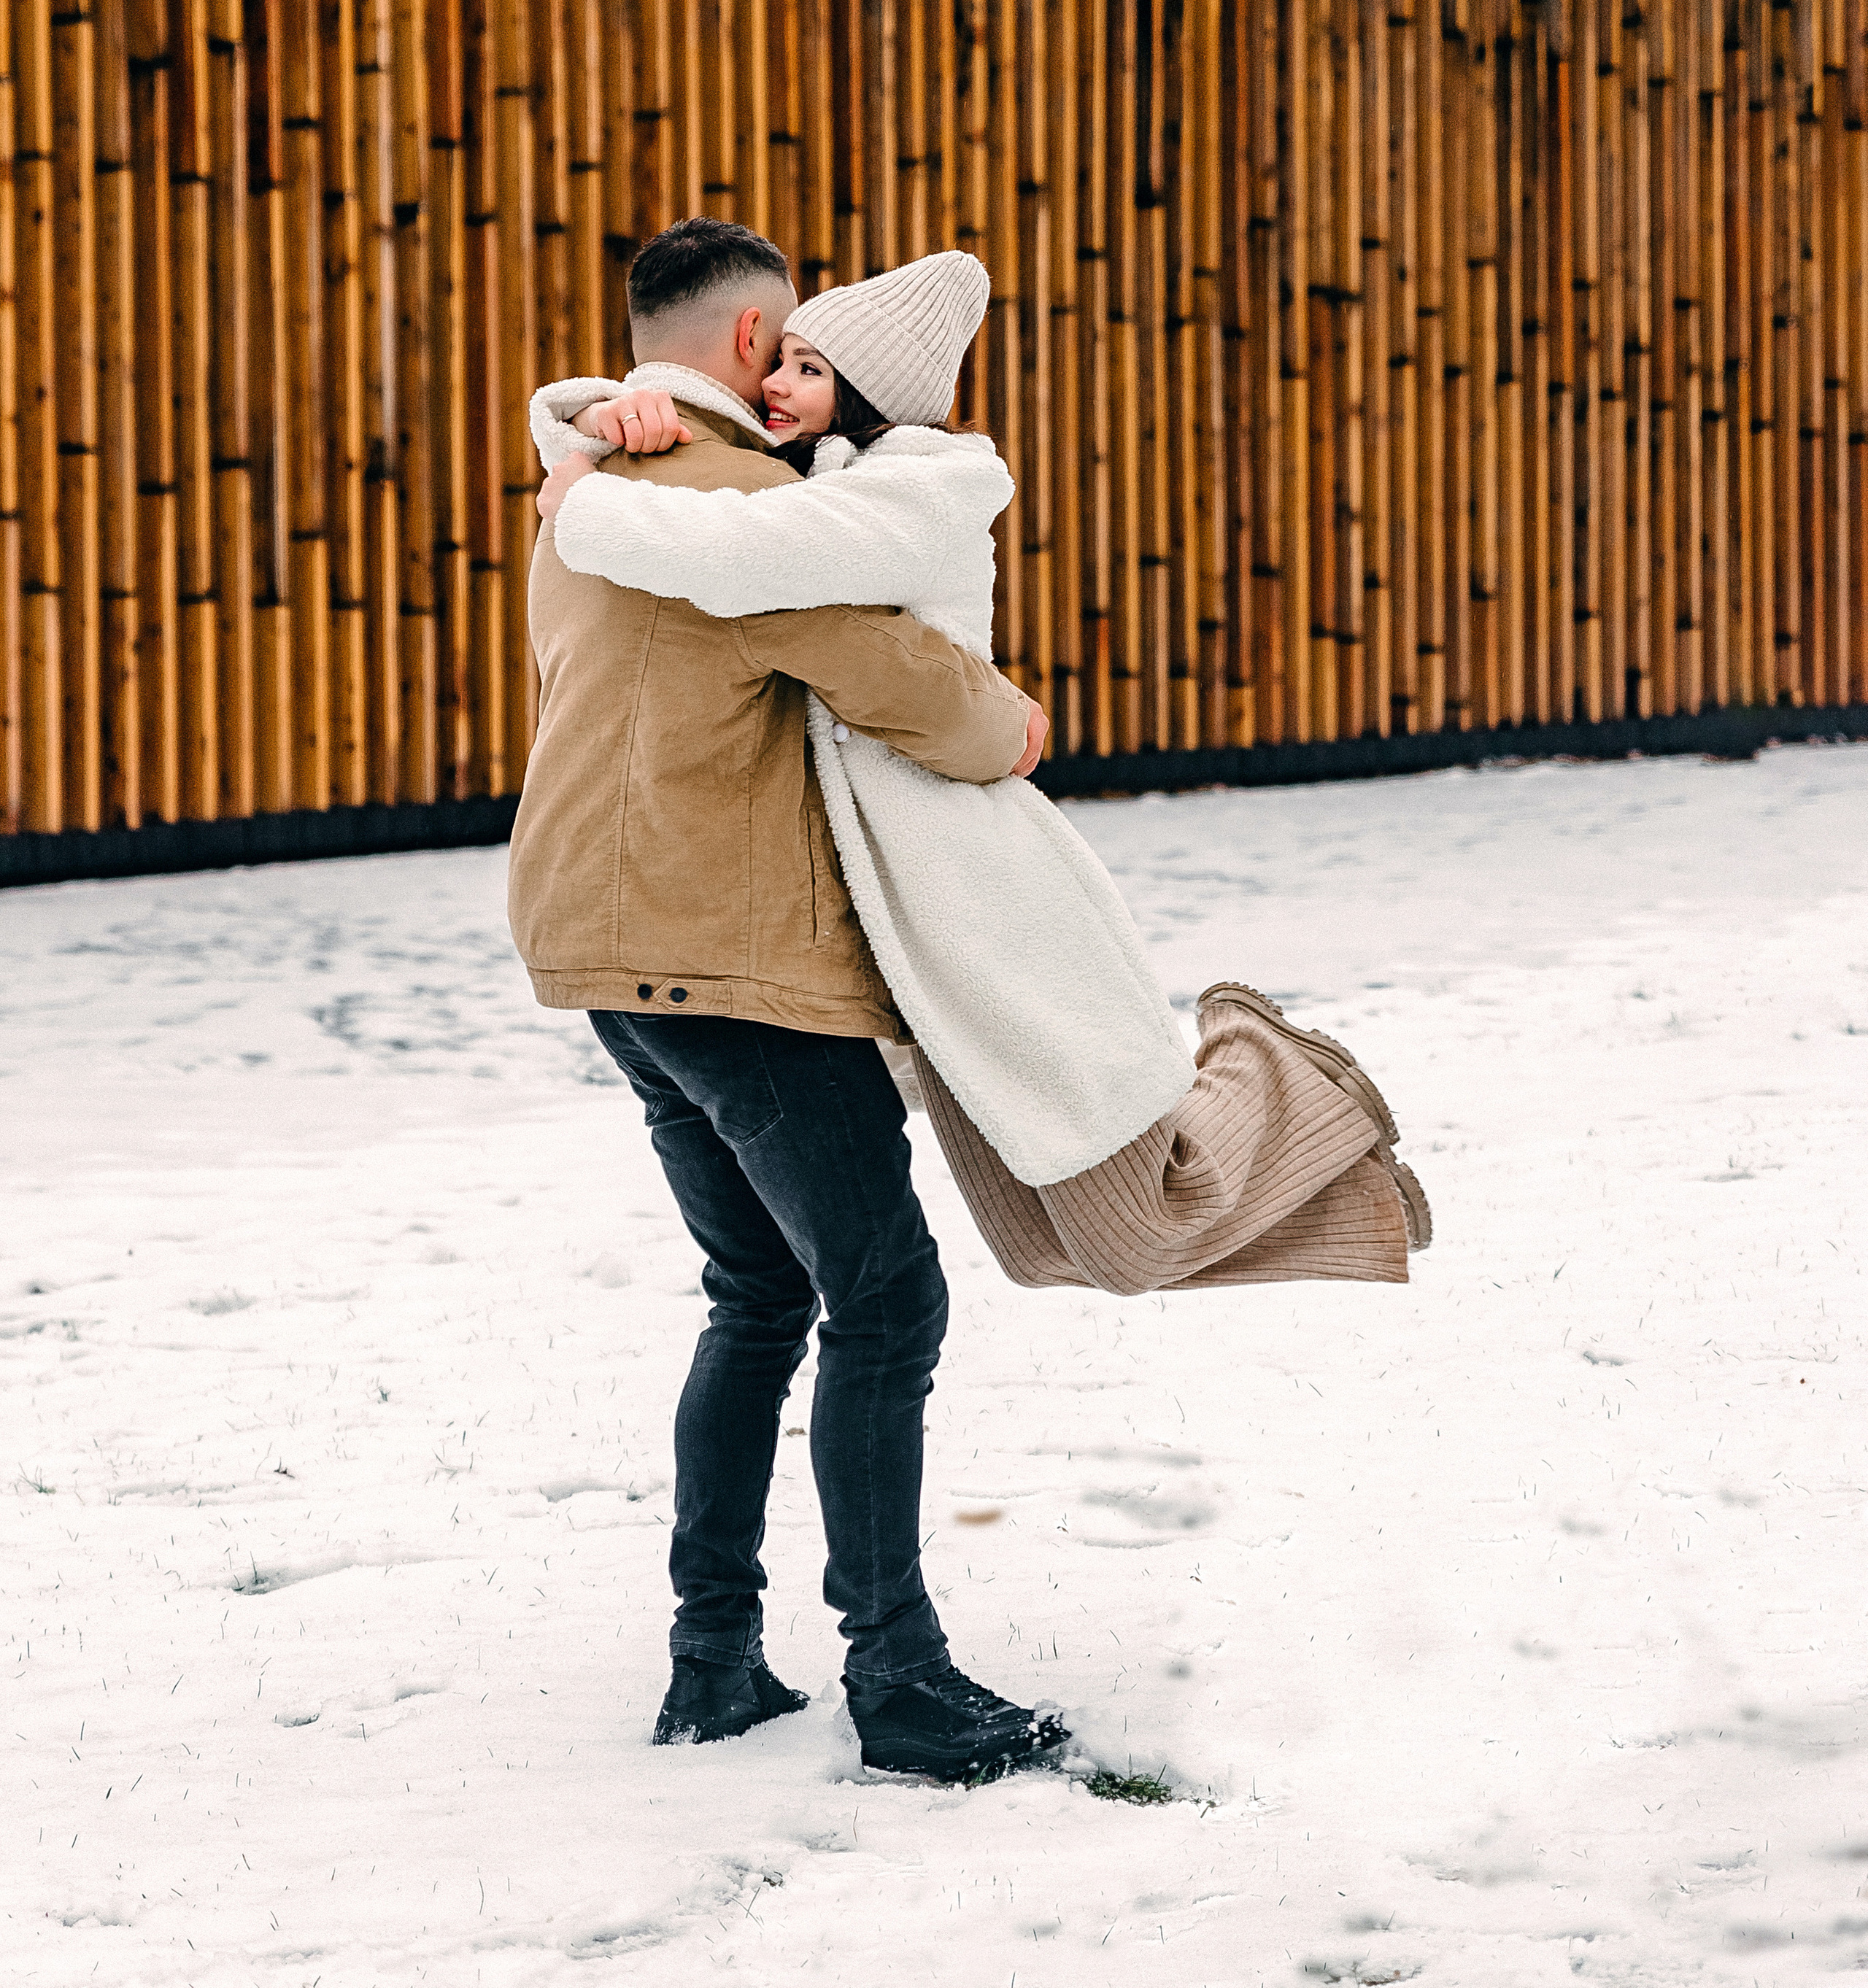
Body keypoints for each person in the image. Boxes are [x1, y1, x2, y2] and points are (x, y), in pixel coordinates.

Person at [532, 250, 1431, 1309]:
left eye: (810, 369)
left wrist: (576, 481)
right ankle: (1303, 1137)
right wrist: (588, 421)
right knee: (1035, 1240)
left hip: (966, 873)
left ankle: (1271, 1072)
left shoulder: (897, 491)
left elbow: (767, 576)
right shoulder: (796, 482)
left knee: (1120, 1222)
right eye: (784, 356)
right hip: (881, 899)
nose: (779, 382)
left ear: (866, 398)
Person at [508, 218, 1068, 1786]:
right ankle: (897, 1678)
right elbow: (896, 676)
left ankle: (713, 1661)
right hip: (731, 956)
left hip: (608, 947)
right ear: (757, 346)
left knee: (758, 1298)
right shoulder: (743, 509)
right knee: (884, 1300)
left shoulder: (588, 492)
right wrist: (1010, 722)